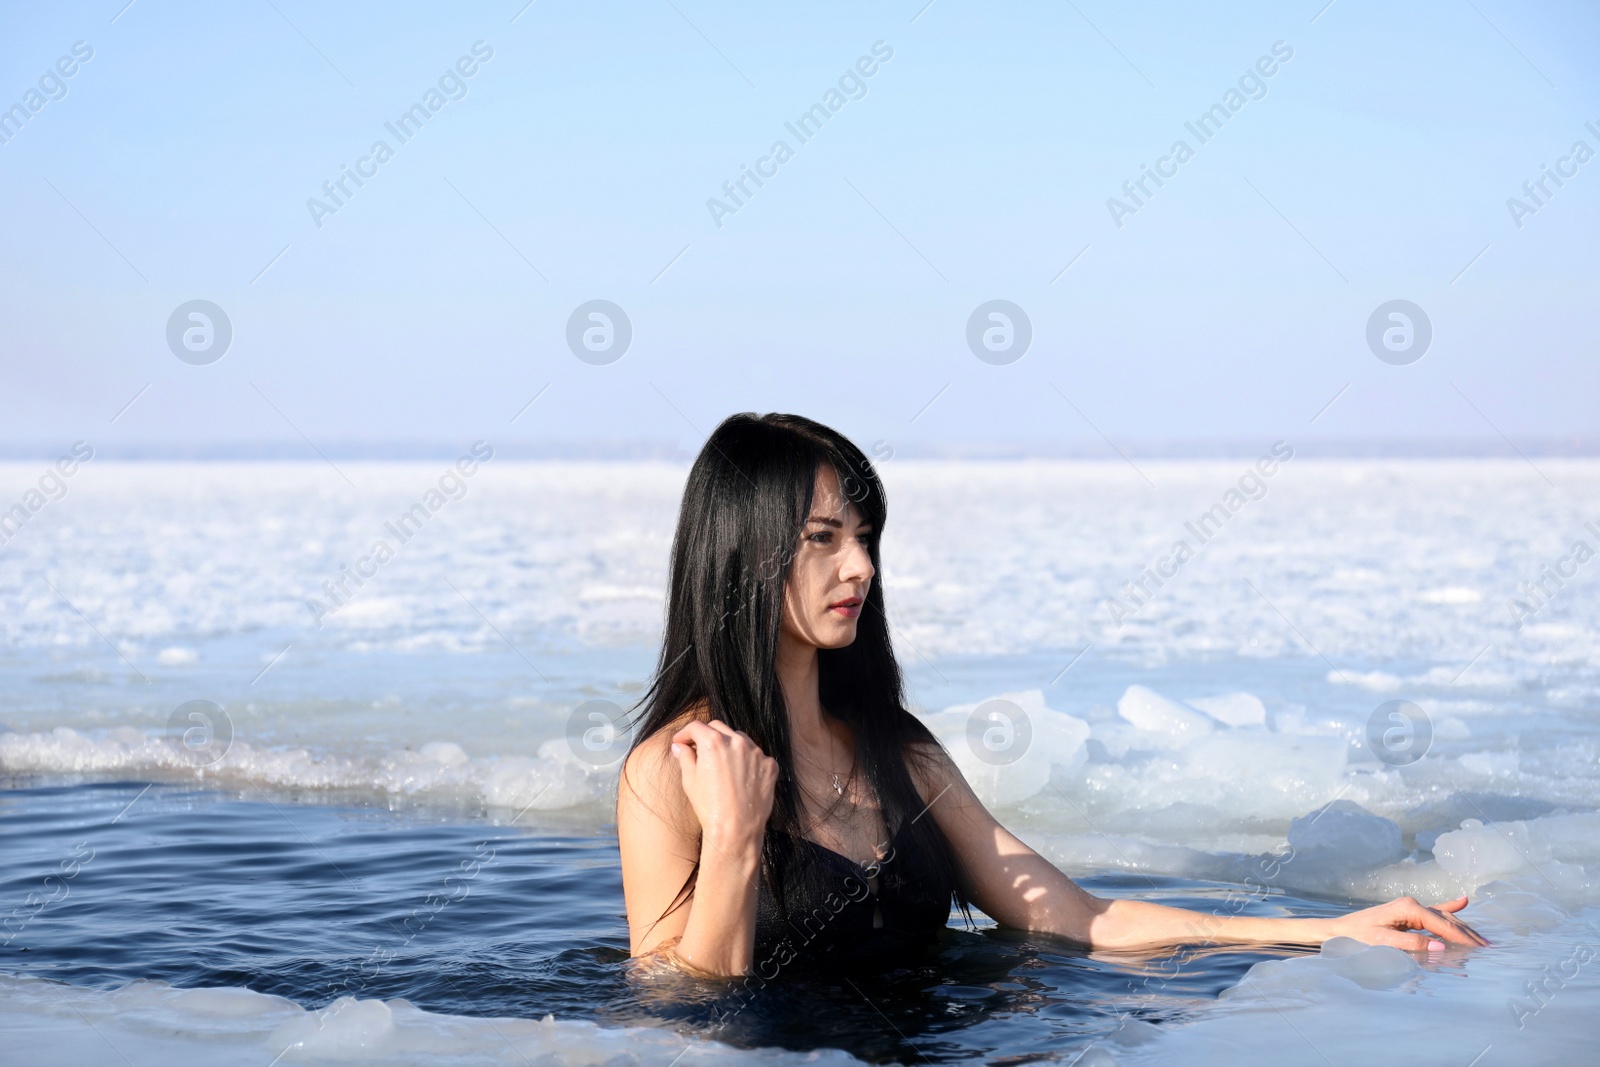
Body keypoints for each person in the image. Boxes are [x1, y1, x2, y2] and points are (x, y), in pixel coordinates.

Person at [616, 412, 1488, 979]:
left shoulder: (900, 752)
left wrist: (1331, 930)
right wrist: (732, 837)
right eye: (824, 538)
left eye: (866, 536)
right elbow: (680, 1021)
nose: (863, 567)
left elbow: (1079, 915)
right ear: (744, 553)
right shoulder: (670, 772)